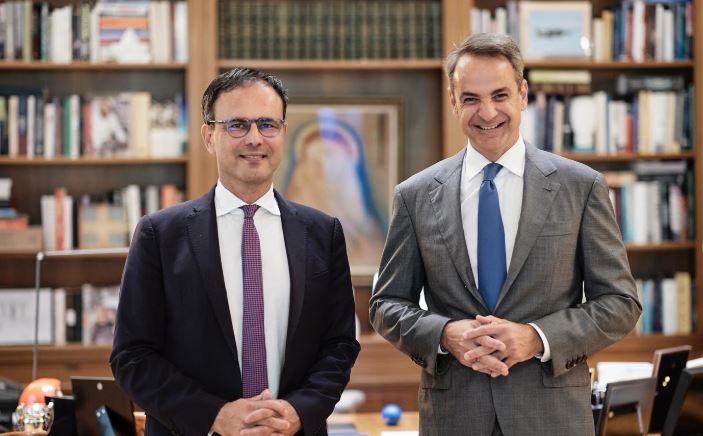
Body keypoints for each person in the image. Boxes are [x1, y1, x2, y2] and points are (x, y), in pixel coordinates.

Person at [369, 33, 641, 435]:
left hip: (553, 419)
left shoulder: (581, 187)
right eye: (471, 99)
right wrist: (445, 334)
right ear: (453, 101)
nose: (487, 112)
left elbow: (620, 303)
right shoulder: (415, 196)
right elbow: (386, 304)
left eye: (500, 95)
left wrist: (537, 338)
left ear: (523, 94)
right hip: (454, 418)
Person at [110, 68, 360, 436]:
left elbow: (339, 346)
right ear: (209, 136)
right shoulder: (159, 235)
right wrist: (214, 415)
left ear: (283, 132)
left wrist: (297, 411)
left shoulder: (323, 233)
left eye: (267, 124)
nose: (255, 138)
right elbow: (132, 357)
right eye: (237, 125)